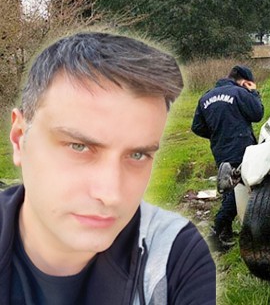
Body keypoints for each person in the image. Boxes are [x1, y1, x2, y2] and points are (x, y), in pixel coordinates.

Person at [2, 32, 216, 304]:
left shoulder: (175, 255)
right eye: (79, 147)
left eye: (137, 154)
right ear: (20, 139)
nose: (111, 194)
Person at [192, 65, 264, 249]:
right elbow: (257, 114)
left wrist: (217, 134)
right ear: (244, 81)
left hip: (220, 148)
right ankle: (216, 232)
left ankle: (226, 232)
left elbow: (197, 127)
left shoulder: (206, 96)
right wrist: (254, 93)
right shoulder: (240, 93)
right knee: (238, 188)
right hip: (240, 147)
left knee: (227, 186)